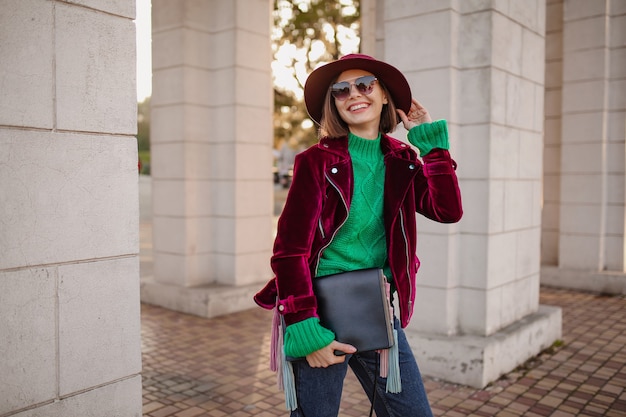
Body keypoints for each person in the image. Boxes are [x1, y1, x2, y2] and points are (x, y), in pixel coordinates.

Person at [254, 53, 463, 417]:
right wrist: (305, 327)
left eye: (365, 84)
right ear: (333, 103)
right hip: (318, 312)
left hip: (376, 306)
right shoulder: (314, 162)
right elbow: (289, 252)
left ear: (384, 96)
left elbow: (447, 210)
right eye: (340, 90)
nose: (354, 94)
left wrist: (431, 145)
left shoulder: (403, 159)